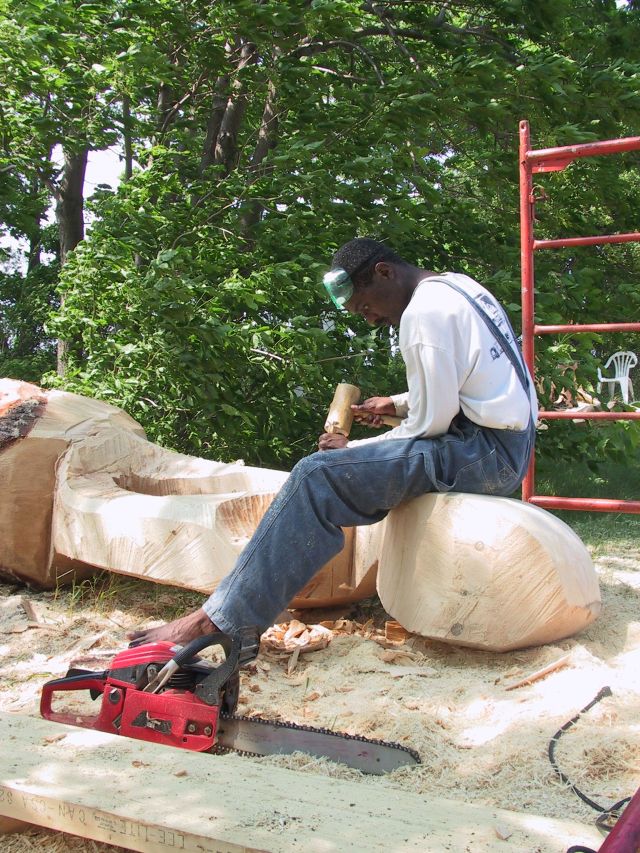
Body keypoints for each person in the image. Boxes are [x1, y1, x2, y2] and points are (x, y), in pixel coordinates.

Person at [127, 238, 537, 647]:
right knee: (327, 472)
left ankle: (220, 623)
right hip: (506, 445)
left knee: (317, 476)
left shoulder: (422, 317)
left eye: (365, 307)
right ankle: (229, 613)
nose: (372, 320)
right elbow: (464, 386)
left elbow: (430, 425)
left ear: (384, 271)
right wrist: (394, 404)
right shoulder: (456, 287)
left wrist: (351, 451)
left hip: (483, 455)